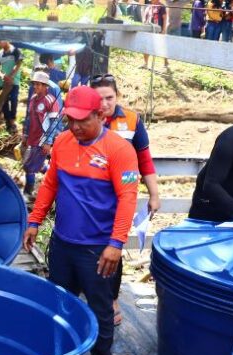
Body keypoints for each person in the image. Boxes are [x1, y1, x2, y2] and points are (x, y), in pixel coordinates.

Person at [24, 86, 139, 355]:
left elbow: (128, 197)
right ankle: (57, 354)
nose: (75, 127)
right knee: (58, 302)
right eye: (70, 120)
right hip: (62, 243)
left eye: (82, 121)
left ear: (100, 115)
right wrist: (34, 220)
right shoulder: (63, 142)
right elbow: (49, 184)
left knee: (101, 308)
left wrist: (116, 244)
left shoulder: (119, 150)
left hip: (97, 250)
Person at [91, 74, 161, 326]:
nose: (105, 104)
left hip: (120, 198)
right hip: (90, 197)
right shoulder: (86, 118)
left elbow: (144, 159)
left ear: (117, 96)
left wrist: (154, 193)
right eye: (99, 99)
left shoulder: (131, 120)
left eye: (109, 98)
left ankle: (112, 298)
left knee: (114, 246)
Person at [21, 71, 62, 198]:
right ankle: (57, 175)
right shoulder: (33, 99)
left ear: (46, 86)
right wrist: (25, 134)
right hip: (32, 137)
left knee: (29, 167)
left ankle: (28, 193)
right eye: (35, 84)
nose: (36, 87)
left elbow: (54, 124)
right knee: (37, 165)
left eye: (39, 84)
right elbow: (29, 118)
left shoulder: (51, 101)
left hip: (42, 139)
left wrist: (48, 142)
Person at [0, 40, 24, 133]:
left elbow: (18, 64)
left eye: (0, 41)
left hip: (14, 81)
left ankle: (12, 120)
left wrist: (11, 76)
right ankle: (8, 122)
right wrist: (2, 76)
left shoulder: (16, 51)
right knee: (4, 103)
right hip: (2, 82)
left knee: (14, 99)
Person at [142, 0, 169, 68]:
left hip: (158, 30)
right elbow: (145, 18)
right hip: (148, 30)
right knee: (146, 46)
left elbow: (165, 19)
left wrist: (163, 30)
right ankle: (145, 63)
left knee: (162, 46)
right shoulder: (149, 7)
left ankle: (166, 62)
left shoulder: (162, 7)